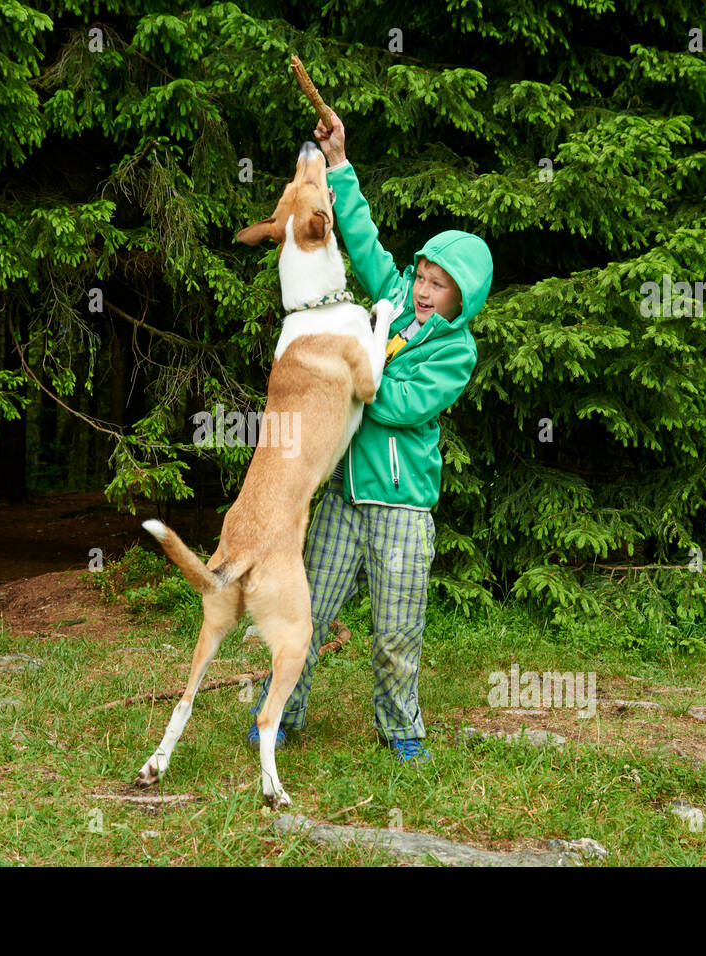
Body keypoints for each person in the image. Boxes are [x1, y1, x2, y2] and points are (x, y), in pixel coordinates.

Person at [247, 111, 494, 762]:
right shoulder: (391, 293)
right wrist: (338, 163)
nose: (422, 290)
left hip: (403, 509)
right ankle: (279, 710)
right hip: (345, 500)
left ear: (460, 301)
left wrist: (351, 375)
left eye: (439, 286)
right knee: (310, 610)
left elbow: (406, 405)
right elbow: (360, 235)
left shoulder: (456, 352)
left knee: (395, 634)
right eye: (422, 276)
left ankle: (402, 728)